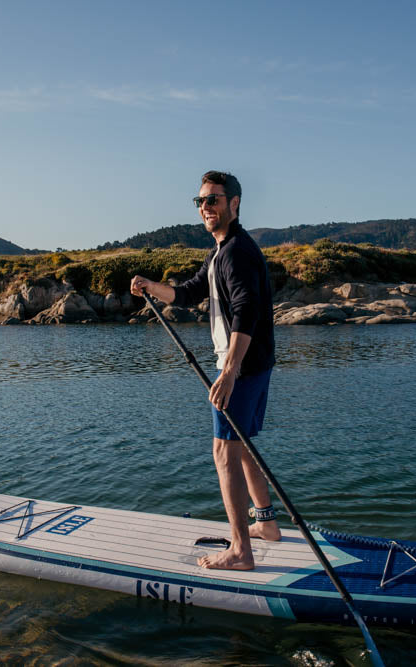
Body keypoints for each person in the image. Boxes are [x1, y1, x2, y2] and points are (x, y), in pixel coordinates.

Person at [130, 171, 278, 571]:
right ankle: (266, 523)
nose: (205, 208)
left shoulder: (235, 252)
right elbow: (189, 292)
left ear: (234, 204)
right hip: (253, 364)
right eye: (200, 201)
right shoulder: (221, 252)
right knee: (242, 445)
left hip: (242, 368)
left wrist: (229, 371)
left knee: (223, 452)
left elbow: (247, 309)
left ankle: (240, 551)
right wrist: (150, 286)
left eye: (213, 200)